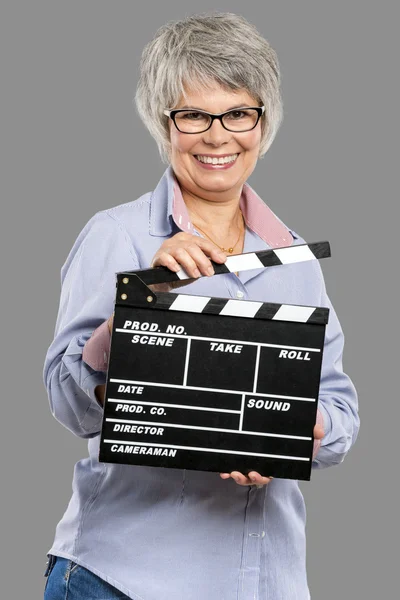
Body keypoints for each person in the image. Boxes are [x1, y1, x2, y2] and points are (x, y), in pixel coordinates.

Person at [42, 11, 359, 600]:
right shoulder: (118, 236)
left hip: (267, 583)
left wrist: (297, 432)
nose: (218, 137)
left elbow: (339, 411)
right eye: (193, 115)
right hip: (126, 579)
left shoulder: (295, 258)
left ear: (264, 123)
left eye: (238, 113)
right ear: (163, 124)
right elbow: (70, 405)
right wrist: (138, 303)